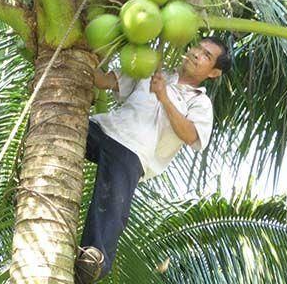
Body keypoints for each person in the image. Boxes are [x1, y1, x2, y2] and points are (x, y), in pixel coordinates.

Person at [74, 37, 232, 284]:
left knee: (112, 204)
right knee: (59, 122)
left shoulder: (200, 103)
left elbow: (190, 135)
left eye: (207, 56)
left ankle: (93, 262)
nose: (196, 54)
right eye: (197, 48)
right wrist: (73, 58)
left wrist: (164, 98)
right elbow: (105, 81)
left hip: (133, 152)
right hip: (105, 130)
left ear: (213, 72)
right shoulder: (154, 70)